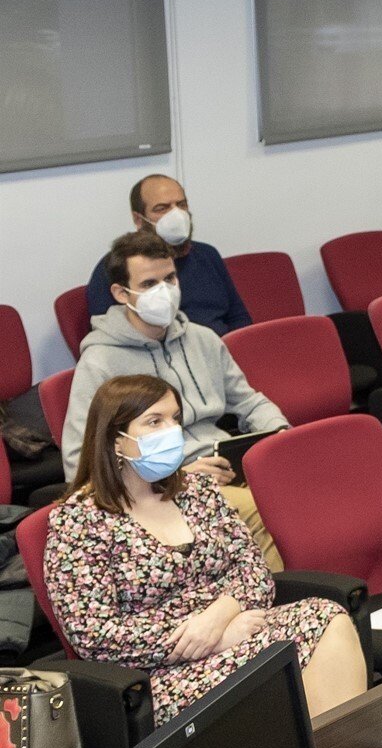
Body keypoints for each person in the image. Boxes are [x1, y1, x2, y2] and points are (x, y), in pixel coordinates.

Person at [43, 374, 366, 724]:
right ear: (116, 441)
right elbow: (94, 635)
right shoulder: (78, 521)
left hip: (237, 627)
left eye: (175, 418)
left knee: (327, 616)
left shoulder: (196, 490)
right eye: (154, 421)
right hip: (161, 671)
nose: (172, 430)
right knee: (294, 662)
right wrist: (208, 638)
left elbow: (254, 569)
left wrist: (221, 614)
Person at [66, 231, 290, 567]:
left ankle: (329, 587)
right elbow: (80, 461)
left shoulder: (203, 339)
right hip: (165, 484)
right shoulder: (99, 362)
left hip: (226, 465)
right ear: (121, 293)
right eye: (149, 284)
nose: (164, 291)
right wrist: (177, 477)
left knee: (309, 488)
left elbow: (249, 402)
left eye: (169, 279)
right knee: (266, 511)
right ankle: (287, 593)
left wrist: (281, 435)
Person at [84, 175, 250, 334]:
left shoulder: (208, 254)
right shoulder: (116, 266)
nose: (176, 214)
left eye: (181, 205)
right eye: (162, 208)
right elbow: (111, 335)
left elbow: (239, 318)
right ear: (138, 219)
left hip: (219, 347)